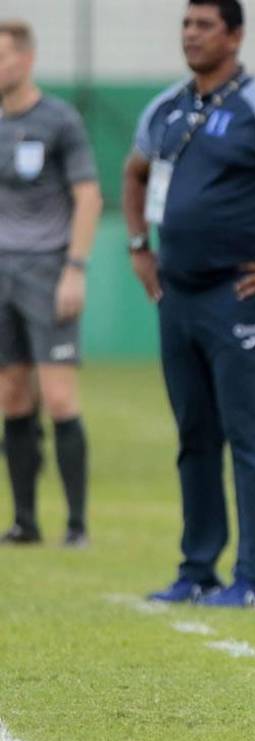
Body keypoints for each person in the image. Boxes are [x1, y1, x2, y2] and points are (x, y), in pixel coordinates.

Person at [122, 0, 255, 608]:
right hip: (177, 293)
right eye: (186, 25)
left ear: (235, 36)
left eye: (205, 25)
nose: (191, 35)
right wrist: (139, 246)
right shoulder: (168, 106)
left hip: (236, 295)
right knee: (194, 435)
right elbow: (135, 172)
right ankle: (197, 570)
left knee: (250, 439)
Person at [0, 20, 101, 549]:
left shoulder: (58, 120)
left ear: (26, 61)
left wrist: (74, 269)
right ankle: (25, 521)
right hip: (2, 273)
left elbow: (88, 196)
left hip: (47, 272)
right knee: (13, 397)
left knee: (60, 399)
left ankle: (77, 524)